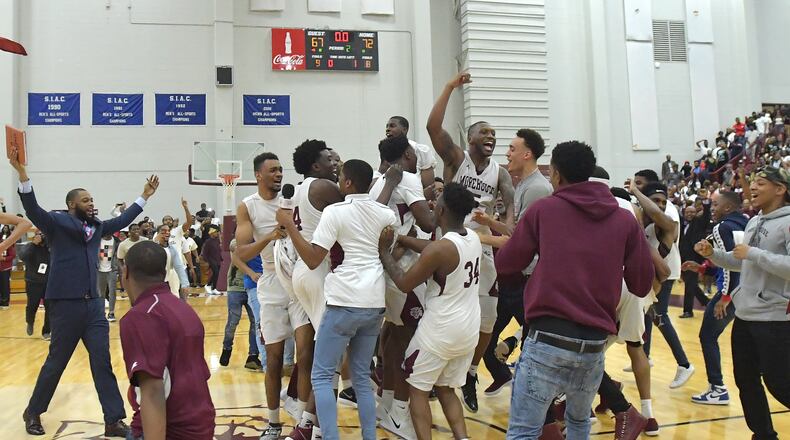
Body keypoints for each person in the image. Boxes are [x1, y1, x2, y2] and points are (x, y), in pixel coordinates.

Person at [495, 141, 654, 439]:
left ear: (556, 174)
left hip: (547, 338)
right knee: (579, 424)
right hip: (593, 344)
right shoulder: (625, 219)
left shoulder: (544, 210)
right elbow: (641, 284)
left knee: (523, 431)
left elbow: (507, 264)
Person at [11, 151, 158, 437]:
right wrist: (22, 174)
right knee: (56, 363)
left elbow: (124, 219)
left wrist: (144, 196)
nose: (92, 204)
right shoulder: (57, 222)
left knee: (102, 362)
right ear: (71, 205)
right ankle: (34, 411)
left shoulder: (99, 226)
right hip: (65, 305)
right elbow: (32, 210)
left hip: (93, 307)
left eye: (92, 200)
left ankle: (113, 420)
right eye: (86, 200)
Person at [276, 159, 397, 440]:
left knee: (320, 376)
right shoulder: (385, 213)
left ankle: (328, 436)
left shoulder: (334, 211)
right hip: (375, 301)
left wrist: (289, 227)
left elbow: (312, 257)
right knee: (361, 382)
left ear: (348, 183)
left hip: (344, 300)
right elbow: (387, 248)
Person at [427, 71, 515, 413]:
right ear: (471, 137)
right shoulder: (456, 158)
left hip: (481, 246)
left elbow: (509, 211)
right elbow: (434, 128)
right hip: (449, 243)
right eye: (484, 132)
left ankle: (472, 372)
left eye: (494, 133)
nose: (490, 136)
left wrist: (502, 231)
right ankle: (436, 373)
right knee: (441, 310)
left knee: (488, 320)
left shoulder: (501, 174)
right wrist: (449, 87)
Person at [379, 183, 481, 440]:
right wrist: (403, 239)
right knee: (447, 388)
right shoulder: (472, 237)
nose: (432, 205)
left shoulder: (440, 249)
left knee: (417, 389)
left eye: (437, 202)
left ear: (443, 210)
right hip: (468, 329)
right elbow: (434, 252)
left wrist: (384, 252)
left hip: (441, 330)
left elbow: (404, 282)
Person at [694, 166, 790, 439]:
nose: (753, 188)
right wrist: (714, 255)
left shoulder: (787, 222)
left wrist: (755, 253)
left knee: (779, 383)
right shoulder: (754, 221)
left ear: (781, 189)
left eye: (761, 182)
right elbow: (742, 262)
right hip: (747, 315)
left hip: (775, 318)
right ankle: (763, 435)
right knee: (745, 381)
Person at [234, 152, 311, 440]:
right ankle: (274, 421)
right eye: (273, 170)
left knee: (305, 354)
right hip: (270, 281)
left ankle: (302, 421)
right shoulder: (248, 207)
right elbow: (240, 252)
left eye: (281, 170)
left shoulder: (295, 199)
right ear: (258, 175)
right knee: (275, 357)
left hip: (299, 282)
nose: (279, 174)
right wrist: (269, 236)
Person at [475, 128, 552, 396]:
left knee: (536, 342)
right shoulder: (523, 185)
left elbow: (519, 241)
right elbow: (515, 230)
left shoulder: (538, 188)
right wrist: (490, 223)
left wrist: (475, 238)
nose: (506, 153)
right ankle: (505, 378)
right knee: (491, 332)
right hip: (515, 278)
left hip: (531, 278)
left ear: (527, 154)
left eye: (511, 148)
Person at [369, 135, 434, 437]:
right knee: (410, 343)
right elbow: (429, 222)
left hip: (385, 269)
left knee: (394, 338)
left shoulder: (378, 180)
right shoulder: (408, 178)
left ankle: (386, 403)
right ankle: (399, 414)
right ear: (409, 153)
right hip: (401, 270)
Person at [119, 240, 215, 439]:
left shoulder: (141, 315)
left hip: (173, 429)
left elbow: (153, 391)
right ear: (164, 272)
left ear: (125, 272)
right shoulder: (182, 308)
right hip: (201, 424)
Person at [629, 176, 696, 388]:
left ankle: (684, 364)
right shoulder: (646, 223)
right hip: (655, 273)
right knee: (647, 314)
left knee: (659, 315)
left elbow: (659, 216)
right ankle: (645, 355)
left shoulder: (668, 216)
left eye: (662, 201)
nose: (660, 205)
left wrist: (636, 192)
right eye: (655, 200)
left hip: (666, 273)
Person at [685, 191, 747, 405]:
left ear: (727, 208)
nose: (711, 208)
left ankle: (718, 387)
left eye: (715, 204)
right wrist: (704, 269)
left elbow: (731, 265)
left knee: (708, 336)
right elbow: (736, 262)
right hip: (745, 290)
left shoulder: (721, 227)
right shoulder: (746, 221)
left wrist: (726, 297)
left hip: (731, 292)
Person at [219, 239, 262, 370]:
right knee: (233, 321)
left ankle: (253, 356)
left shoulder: (260, 239)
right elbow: (233, 246)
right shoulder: (237, 241)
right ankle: (227, 348)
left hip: (253, 287)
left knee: (255, 322)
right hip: (235, 287)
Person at [384, 116, 438, 199]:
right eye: (387, 126)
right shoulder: (384, 151)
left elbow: (429, 187)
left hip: (418, 198)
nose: (388, 129)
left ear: (405, 130)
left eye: (392, 126)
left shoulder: (421, 150)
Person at [679, 203, 712, 318]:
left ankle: (688, 311)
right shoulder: (682, 224)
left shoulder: (698, 223)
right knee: (691, 284)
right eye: (687, 212)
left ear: (696, 213)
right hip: (682, 258)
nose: (690, 214)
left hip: (694, 259)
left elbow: (706, 216)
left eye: (692, 212)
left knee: (689, 285)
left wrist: (706, 205)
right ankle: (706, 302)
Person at [18, 230, 51, 338]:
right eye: (39, 235)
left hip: (48, 282)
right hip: (33, 282)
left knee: (50, 308)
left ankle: (46, 331)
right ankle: (30, 322)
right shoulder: (30, 246)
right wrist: (33, 244)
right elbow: (22, 256)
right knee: (32, 305)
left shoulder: (50, 247)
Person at [154, 224, 190, 298]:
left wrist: (184, 283)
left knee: (174, 297)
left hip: (166, 280)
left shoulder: (172, 250)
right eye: (163, 231)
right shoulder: (151, 247)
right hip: (152, 282)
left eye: (168, 231)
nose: (167, 233)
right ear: (157, 234)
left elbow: (179, 267)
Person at [97, 233, 120, 321]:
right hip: (99, 270)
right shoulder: (98, 240)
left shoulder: (116, 241)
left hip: (111, 270)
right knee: (100, 293)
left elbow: (118, 256)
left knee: (112, 292)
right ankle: (101, 312)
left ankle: (111, 312)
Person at [201, 225, 223, 295]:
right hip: (211, 260)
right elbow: (204, 252)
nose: (217, 233)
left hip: (217, 259)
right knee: (215, 273)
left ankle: (214, 288)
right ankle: (208, 285)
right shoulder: (208, 241)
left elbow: (218, 250)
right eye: (216, 232)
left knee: (216, 274)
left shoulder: (217, 240)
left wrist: (221, 258)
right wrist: (207, 261)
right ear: (212, 233)